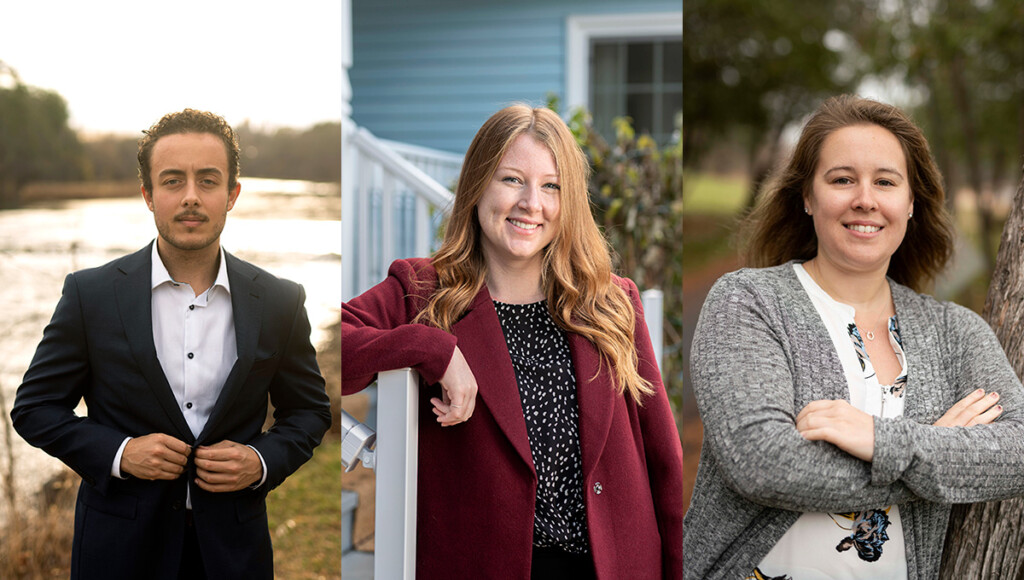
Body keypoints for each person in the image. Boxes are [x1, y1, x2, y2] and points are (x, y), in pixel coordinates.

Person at [685, 94, 1024, 579]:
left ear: (910, 203)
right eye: (842, 179)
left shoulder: (956, 331)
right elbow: (762, 463)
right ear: (807, 196)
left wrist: (880, 440)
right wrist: (938, 452)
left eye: (885, 182)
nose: (865, 198)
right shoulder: (749, 301)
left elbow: (1017, 451)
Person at [342, 104, 683, 579]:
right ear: (478, 184)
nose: (531, 203)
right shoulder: (422, 290)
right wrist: (431, 348)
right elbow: (331, 347)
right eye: (511, 180)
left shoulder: (612, 301)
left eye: (551, 186)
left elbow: (663, 456)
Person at [11, 109, 332, 580]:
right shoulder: (91, 294)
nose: (190, 198)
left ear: (232, 194)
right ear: (148, 194)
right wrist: (120, 453)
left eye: (207, 181)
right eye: (172, 181)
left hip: (233, 553)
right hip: (118, 552)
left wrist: (261, 461)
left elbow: (309, 412)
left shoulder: (280, 299)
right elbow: (34, 408)